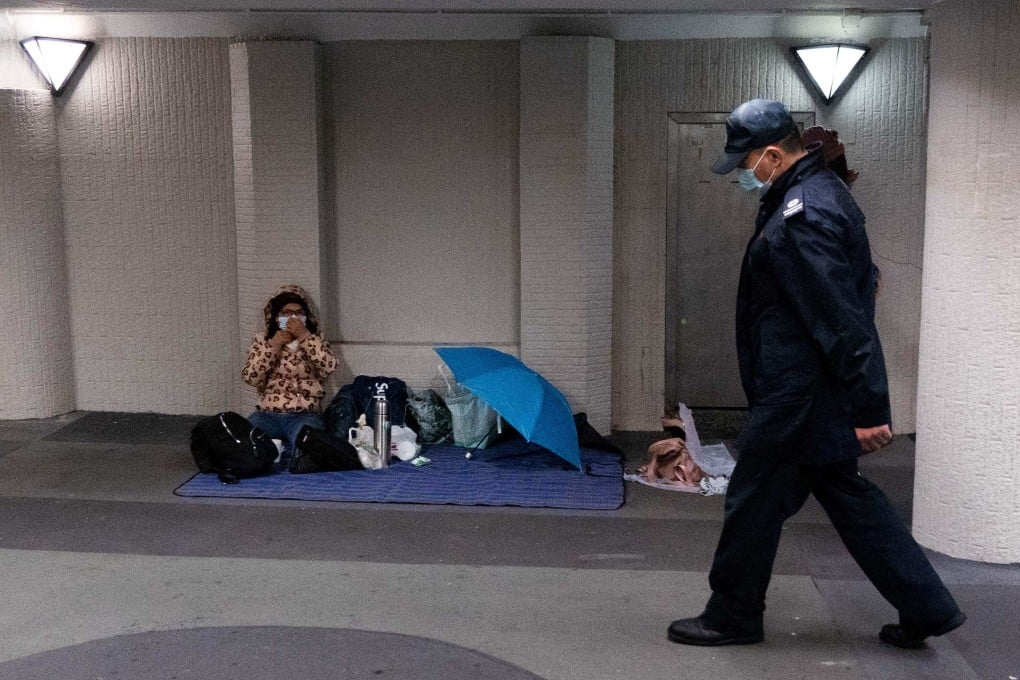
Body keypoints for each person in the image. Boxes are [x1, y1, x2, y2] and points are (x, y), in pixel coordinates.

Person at [667, 99, 965, 649]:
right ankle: (928, 606)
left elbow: (841, 318)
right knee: (849, 498)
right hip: (808, 388)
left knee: (753, 499)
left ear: (773, 154)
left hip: (797, 393)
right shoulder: (819, 193)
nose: (743, 173)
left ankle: (732, 615)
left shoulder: (802, 216)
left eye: (746, 162)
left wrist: (869, 407)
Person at [241, 284, 338, 469]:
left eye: (299, 312)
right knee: (246, 440)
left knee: (307, 446)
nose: (293, 317)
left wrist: (305, 337)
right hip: (268, 414)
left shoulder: (316, 338)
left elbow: (329, 366)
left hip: (304, 414)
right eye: (287, 312)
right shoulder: (262, 340)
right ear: (276, 316)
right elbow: (251, 377)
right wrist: (273, 346)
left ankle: (299, 461)